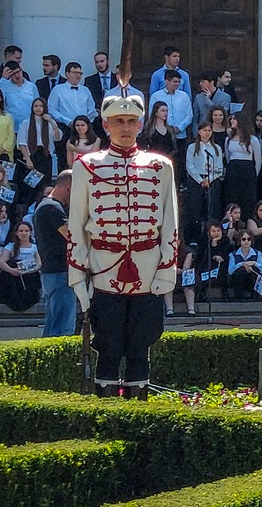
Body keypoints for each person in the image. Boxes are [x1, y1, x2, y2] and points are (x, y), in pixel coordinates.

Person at [69, 92, 181, 400]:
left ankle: (139, 404)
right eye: (118, 121)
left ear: (141, 123)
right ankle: (105, 405)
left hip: (147, 269)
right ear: (105, 125)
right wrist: (78, 278)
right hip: (104, 270)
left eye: (132, 121)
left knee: (140, 344)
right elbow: (76, 226)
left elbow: (170, 222)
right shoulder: (86, 166)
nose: (125, 127)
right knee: (107, 344)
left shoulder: (160, 166)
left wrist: (166, 270)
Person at [34, 169, 77, 338]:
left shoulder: (46, 206)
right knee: (62, 329)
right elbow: (71, 235)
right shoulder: (52, 208)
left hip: (52, 272)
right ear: (68, 187)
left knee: (53, 326)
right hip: (60, 272)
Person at [182, 119, 224, 239]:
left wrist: (209, 179)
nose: (207, 133)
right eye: (204, 130)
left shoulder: (216, 148)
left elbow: (219, 167)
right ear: (199, 131)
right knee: (195, 209)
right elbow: (190, 166)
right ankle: (193, 237)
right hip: (196, 181)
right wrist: (200, 179)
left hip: (212, 180)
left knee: (211, 208)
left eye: (209, 130)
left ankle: (211, 234)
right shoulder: (192, 147)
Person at [15, 97, 60, 205]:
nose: (38, 108)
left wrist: (52, 121)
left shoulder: (49, 123)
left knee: (44, 185)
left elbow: (58, 137)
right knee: (30, 187)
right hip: (32, 155)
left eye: (41, 106)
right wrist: (28, 159)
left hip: (45, 156)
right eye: (36, 106)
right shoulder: (26, 123)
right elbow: (22, 143)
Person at [222, 113, 262, 221]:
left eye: (234, 119)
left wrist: (254, 175)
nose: (232, 121)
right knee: (232, 195)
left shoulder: (253, 139)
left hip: (247, 170)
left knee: (247, 198)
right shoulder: (228, 139)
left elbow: (258, 160)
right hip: (233, 170)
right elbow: (227, 156)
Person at [0, 222, 42, 312]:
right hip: (13, 272)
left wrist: (26, 270)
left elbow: (39, 264)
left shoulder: (35, 247)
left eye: (26, 231)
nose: (24, 233)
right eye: (21, 231)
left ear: (30, 233)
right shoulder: (10, 246)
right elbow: (2, 262)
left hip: (29, 273)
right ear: (17, 233)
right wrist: (12, 270)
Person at [48, 62, 97, 130]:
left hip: (84, 128)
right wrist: (68, 122)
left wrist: (83, 122)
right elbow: (51, 109)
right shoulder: (57, 89)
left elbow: (92, 110)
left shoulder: (85, 90)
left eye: (80, 73)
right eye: (74, 72)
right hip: (64, 127)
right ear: (67, 74)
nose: (78, 75)